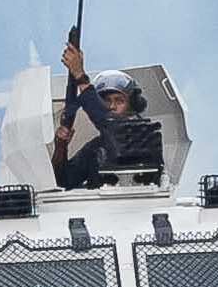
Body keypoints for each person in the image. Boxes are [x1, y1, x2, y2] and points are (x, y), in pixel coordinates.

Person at [51, 44, 150, 190]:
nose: (111, 106)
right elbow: (63, 180)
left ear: (132, 106)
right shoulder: (97, 147)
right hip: (100, 210)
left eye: (119, 101)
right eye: (106, 101)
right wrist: (61, 146)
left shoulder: (141, 135)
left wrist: (79, 74)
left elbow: (107, 121)